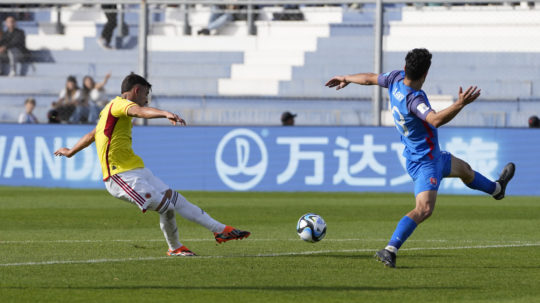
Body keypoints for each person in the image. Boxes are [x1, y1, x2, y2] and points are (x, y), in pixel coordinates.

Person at [325, 48, 515, 268]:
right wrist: (459, 104)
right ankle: (390, 249)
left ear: (405, 68)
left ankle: (497, 190)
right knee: (424, 209)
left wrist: (346, 78)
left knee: (466, 170)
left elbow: (369, 79)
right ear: (426, 75)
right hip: (426, 162)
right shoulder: (414, 100)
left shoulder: (395, 78)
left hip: (427, 155)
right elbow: (434, 120)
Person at [54, 73, 250, 256]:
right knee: (167, 207)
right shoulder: (120, 105)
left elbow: (92, 135)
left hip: (138, 170)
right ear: (137, 90)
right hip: (119, 176)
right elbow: (139, 111)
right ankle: (175, 248)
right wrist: (165, 113)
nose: (147, 99)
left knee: (176, 200)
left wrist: (71, 151)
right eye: (146, 94)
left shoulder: (110, 109)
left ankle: (221, 230)